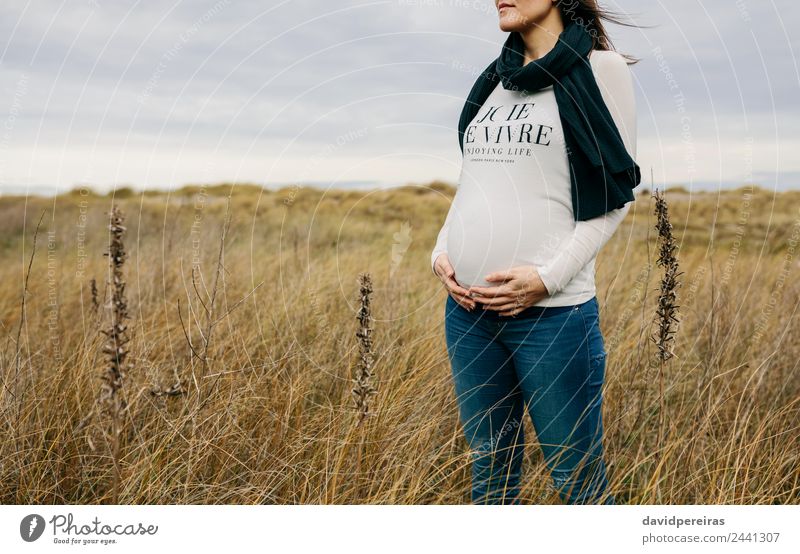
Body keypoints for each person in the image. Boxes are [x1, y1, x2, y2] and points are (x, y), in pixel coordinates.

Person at [431, 0, 641, 504]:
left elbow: (614, 199)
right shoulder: (496, 78)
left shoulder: (600, 69)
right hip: (468, 315)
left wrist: (546, 279)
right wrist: (441, 252)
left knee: (577, 484)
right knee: (491, 477)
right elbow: (473, 184)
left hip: (551, 319)